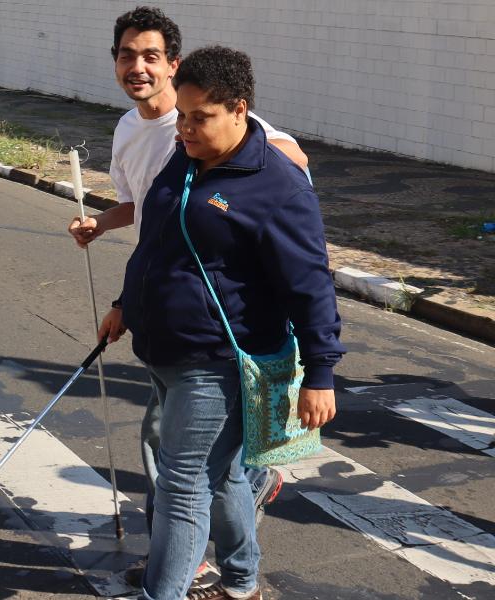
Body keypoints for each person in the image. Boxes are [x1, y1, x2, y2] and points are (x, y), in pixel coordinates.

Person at [68, 6, 302, 589]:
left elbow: (289, 165)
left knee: (175, 465)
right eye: (127, 55)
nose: (137, 67)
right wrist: (102, 226)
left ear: (173, 64)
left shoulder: (208, 115)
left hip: (214, 332)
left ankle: (182, 560)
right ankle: (242, 559)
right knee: (203, 469)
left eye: (151, 56)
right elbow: (150, 217)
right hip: (161, 313)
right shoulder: (131, 131)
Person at [98, 45, 344, 600]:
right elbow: (158, 245)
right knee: (225, 476)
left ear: (239, 109)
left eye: (199, 117)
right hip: (162, 351)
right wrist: (124, 305)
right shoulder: (182, 161)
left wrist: (322, 373)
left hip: (218, 363)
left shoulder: (277, 186)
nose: (184, 128)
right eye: (180, 115)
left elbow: (309, 285)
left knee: (183, 485)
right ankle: (241, 581)